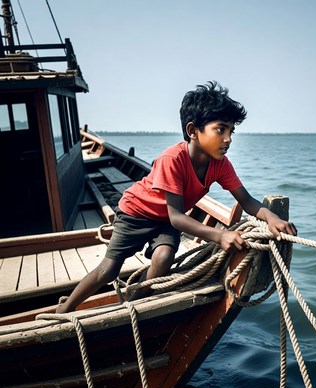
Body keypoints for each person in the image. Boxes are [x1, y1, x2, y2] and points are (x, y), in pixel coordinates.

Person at [56, 81, 297, 313]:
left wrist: (271, 218)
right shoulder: (172, 160)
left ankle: (132, 307)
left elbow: (248, 202)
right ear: (193, 130)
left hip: (165, 219)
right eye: (220, 129)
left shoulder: (221, 165)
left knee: (163, 259)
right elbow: (177, 217)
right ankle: (65, 308)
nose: (228, 138)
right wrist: (220, 234)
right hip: (135, 213)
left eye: (231, 131)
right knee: (108, 270)